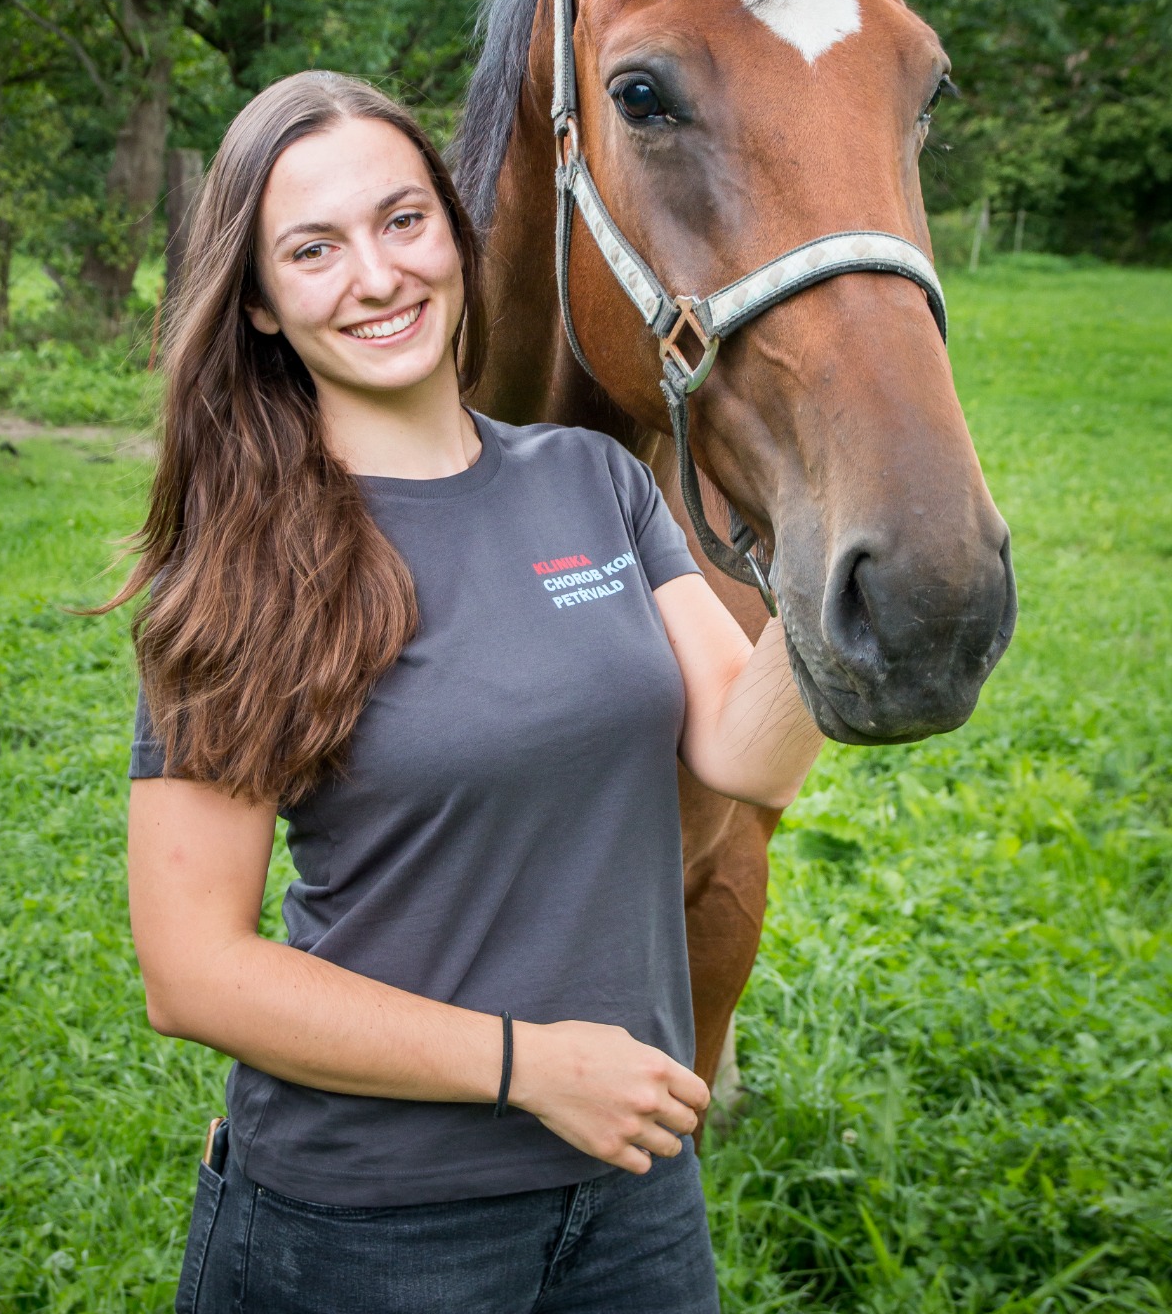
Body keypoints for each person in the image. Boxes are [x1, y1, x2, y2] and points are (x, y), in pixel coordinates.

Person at [118, 70, 824, 1314]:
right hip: (369, 1224)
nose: (378, 276)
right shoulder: (243, 565)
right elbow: (194, 971)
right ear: (266, 305)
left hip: (629, 1184)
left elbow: (740, 750)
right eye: (313, 249)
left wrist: (837, 569)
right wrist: (527, 1068)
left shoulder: (590, 483)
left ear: (453, 232)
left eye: (401, 221)